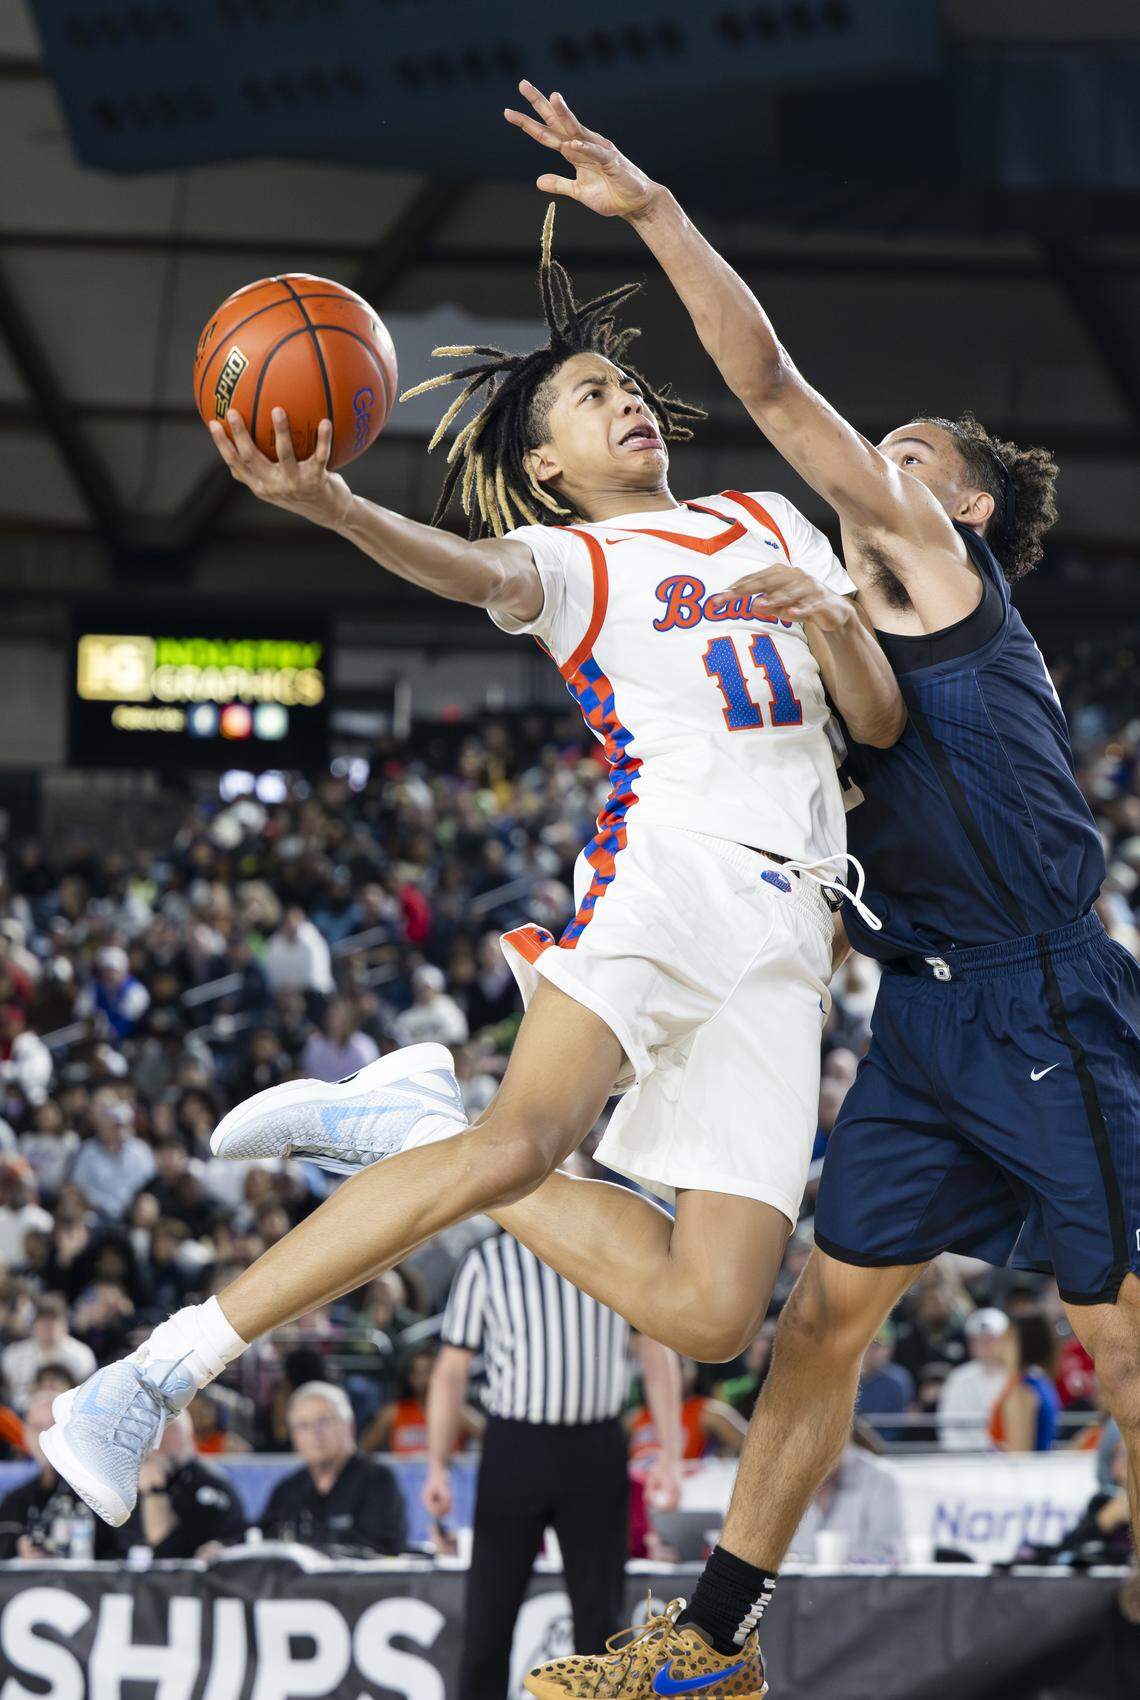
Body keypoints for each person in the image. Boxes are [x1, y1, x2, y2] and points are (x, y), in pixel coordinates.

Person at [40, 84, 904, 1539]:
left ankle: (396, 1134)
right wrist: (342, 514)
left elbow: (875, 723)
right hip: (671, 870)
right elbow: (466, 575)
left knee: (708, 1314)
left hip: (797, 931)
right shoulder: (567, 562)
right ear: (549, 468)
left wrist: (831, 620)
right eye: (586, 400)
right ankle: (145, 1378)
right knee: (517, 1141)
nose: (625, 399)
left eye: (624, 385)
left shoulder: (768, 522)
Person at [500, 80, 1138, 1697]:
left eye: (906, 460)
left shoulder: (939, 573)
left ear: (963, 510)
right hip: (919, 1023)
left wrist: (653, 214)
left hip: (1046, 986)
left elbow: (775, 389)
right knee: (817, 1324)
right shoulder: (797, 642)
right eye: (880, 459)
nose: (874, 471)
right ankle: (709, 1648)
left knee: (1118, 1334)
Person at [422, 1231, 681, 1700]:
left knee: (601, 1622)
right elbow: (451, 1370)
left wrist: (670, 1452)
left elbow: (654, 1352)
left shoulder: (614, 1249)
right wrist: (437, 1465)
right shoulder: (487, 1260)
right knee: (489, 1616)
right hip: (515, 1447)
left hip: (596, 1446)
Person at [258, 1380, 406, 1556]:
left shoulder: (378, 1480)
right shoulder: (288, 1489)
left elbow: (381, 1551)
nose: (315, 1433)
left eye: (323, 1421)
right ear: (294, 1436)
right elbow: (260, 1544)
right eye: (303, 1425)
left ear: (348, 1425)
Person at [0, 1390, 132, 1560]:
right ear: (25, 1433)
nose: (44, 1435)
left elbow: (121, 1550)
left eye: (52, 1426)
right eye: (37, 1427)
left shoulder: (98, 1486)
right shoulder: (17, 1496)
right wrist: (18, 1547)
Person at [137, 1410, 246, 1557]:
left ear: (187, 1434)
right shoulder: (131, 1480)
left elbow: (163, 1545)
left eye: (171, 1430)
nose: (161, 1440)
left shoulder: (210, 1483)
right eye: (154, 1432)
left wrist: (154, 1491)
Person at [361, 1345, 480, 1455]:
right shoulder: (392, 1413)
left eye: (427, 1372)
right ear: (409, 1377)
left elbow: (490, 1439)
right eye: (417, 1372)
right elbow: (362, 1451)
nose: (422, 1379)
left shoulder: (456, 1412)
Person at [938, 1308, 1013, 1452]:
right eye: (978, 1339)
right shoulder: (958, 1378)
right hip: (966, 1463)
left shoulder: (1017, 1377)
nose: (984, 1345)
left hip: (1008, 1461)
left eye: (990, 1339)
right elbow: (948, 1426)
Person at [0, 1295, 95, 1408]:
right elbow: (9, 1393)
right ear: (33, 1325)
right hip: (22, 1414)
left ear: (65, 1325)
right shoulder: (14, 1354)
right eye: (43, 1323)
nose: (48, 1328)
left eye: (53, 1322)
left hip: (66, 1414)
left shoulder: (81, 1355)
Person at [989, 1311, 1061, 1453]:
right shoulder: (1040, 1382)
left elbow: (1020, 1456)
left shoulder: (1022, 1392)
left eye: (1007, 1338)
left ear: (1021, 1344)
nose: (998, 1344)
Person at [856, 1320, 916, 1445]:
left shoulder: (897, 1382)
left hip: (887, 1451)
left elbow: (895, 1429)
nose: (871, 1352)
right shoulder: (845, 1384)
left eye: (877, 1346)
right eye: (868, 1346)